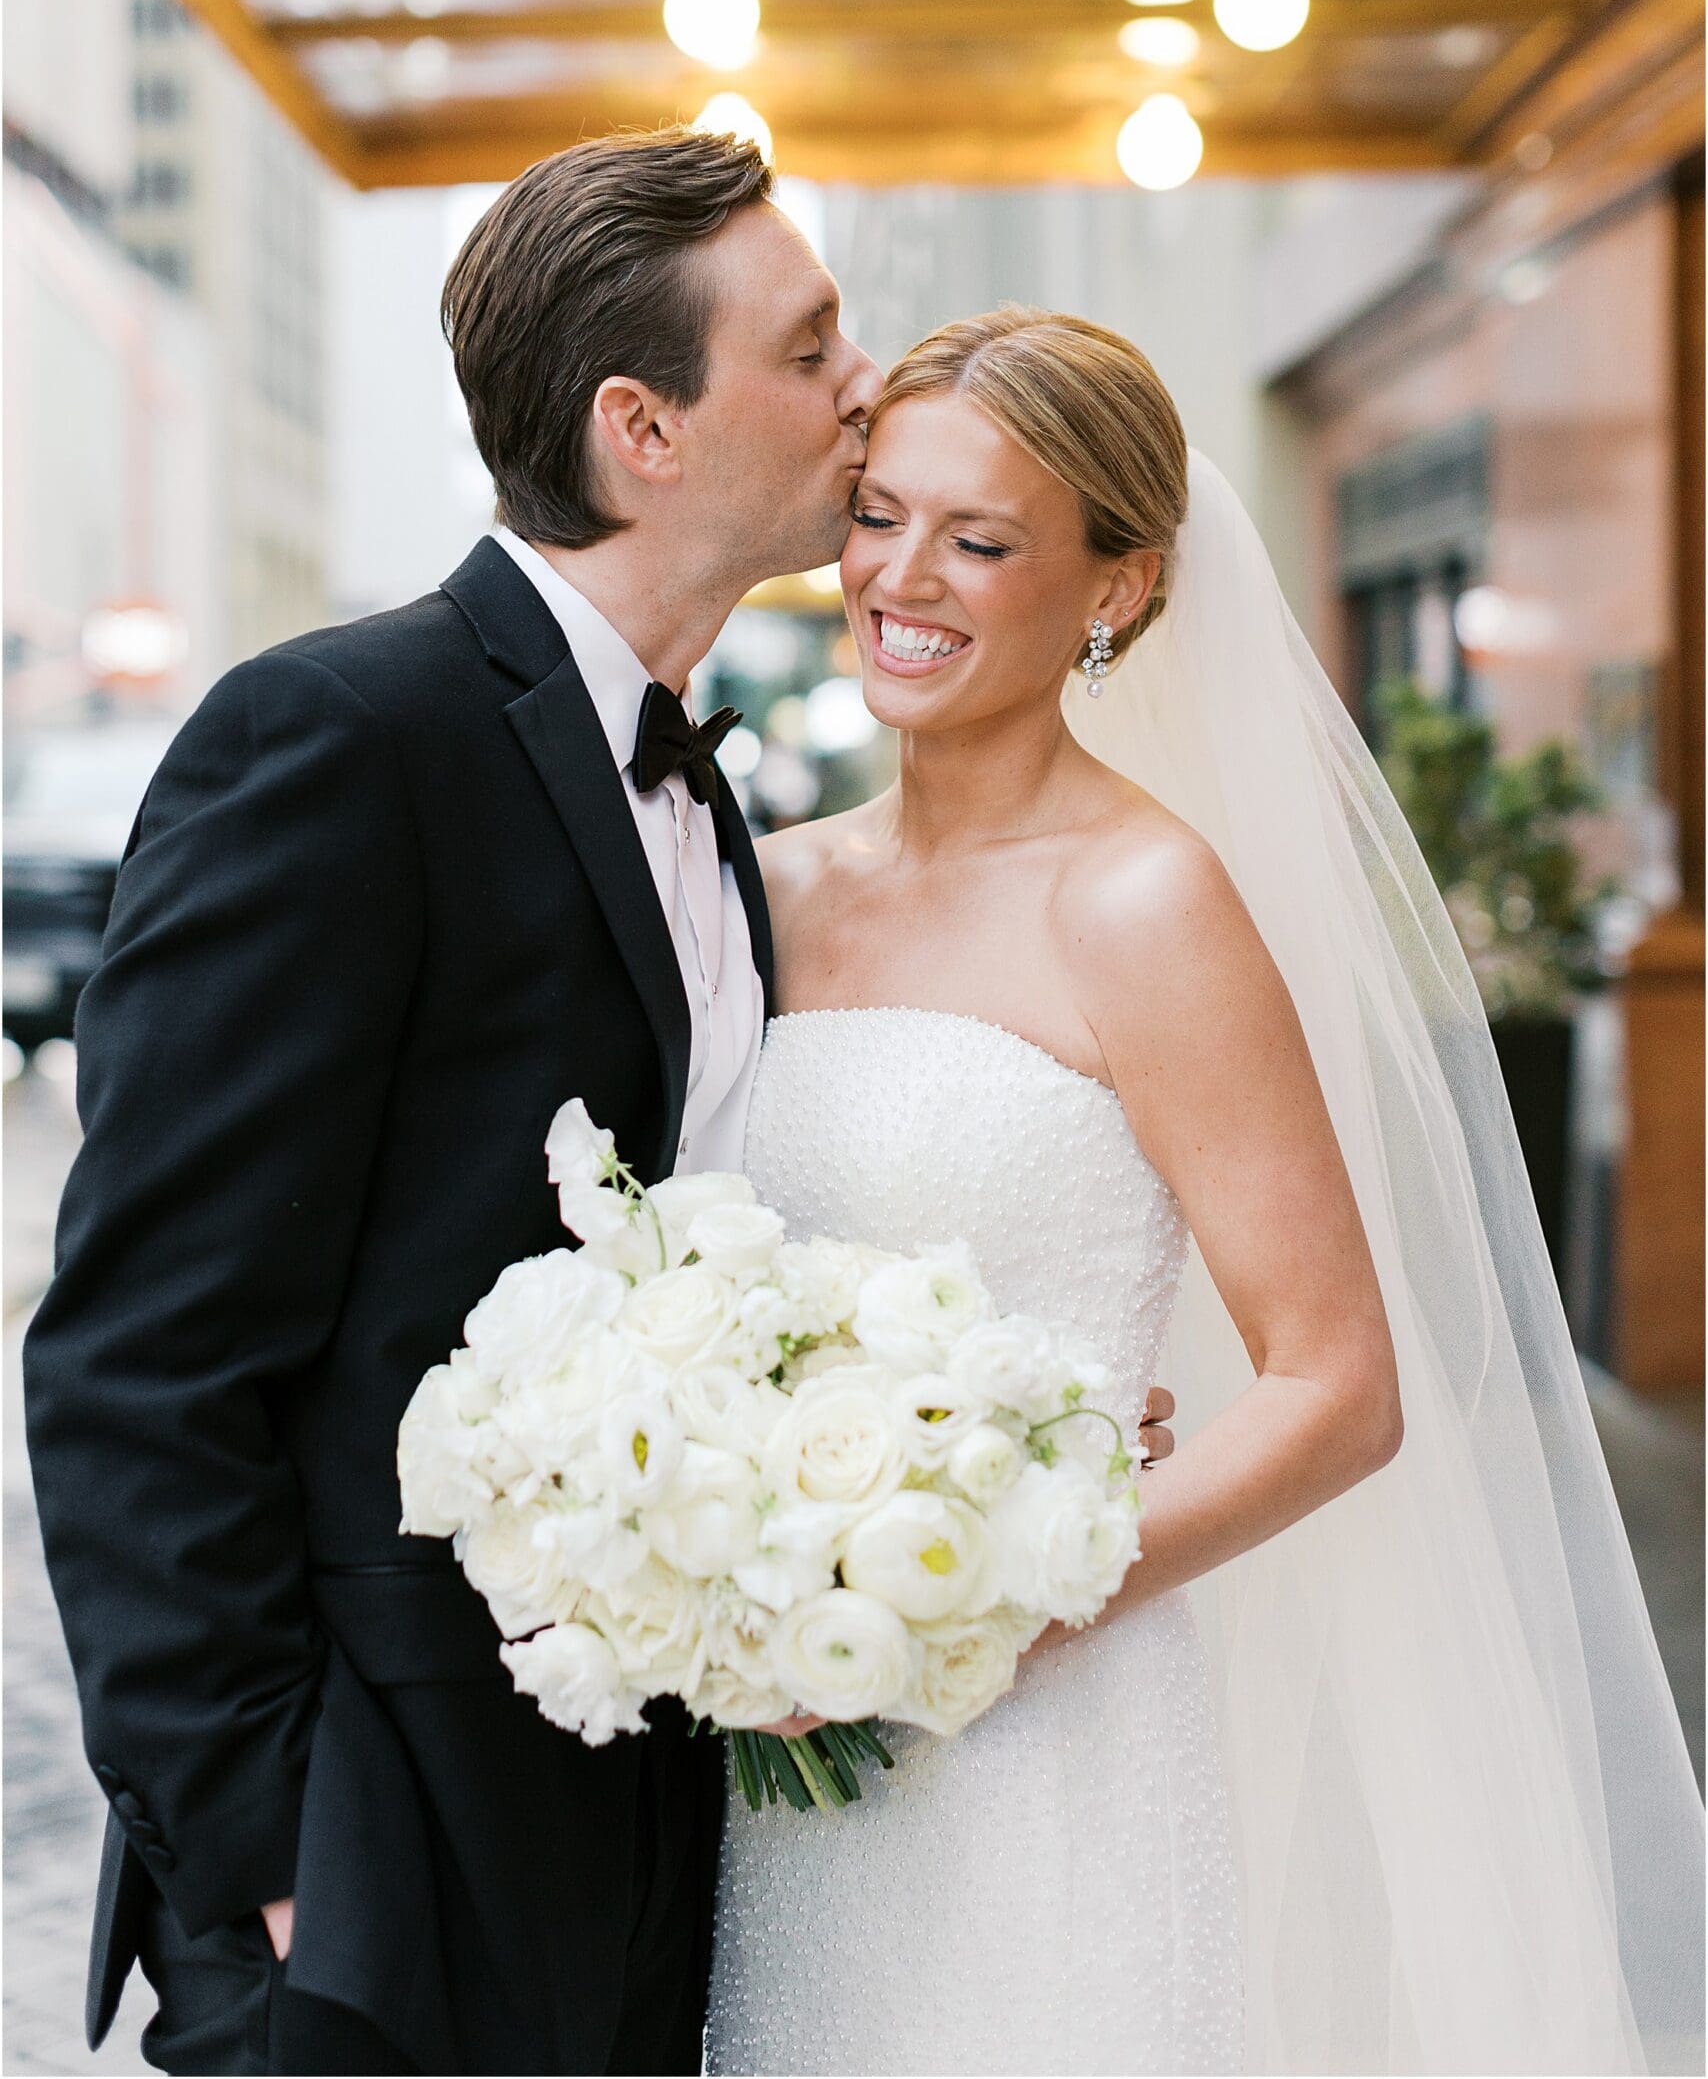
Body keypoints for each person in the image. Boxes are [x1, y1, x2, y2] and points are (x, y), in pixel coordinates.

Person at [707, 306, 1706, 2078]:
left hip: (1044, 1741)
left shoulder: (1147, 902)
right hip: (770, 1761)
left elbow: (1340, 1382)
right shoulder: (755, 889)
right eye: (880, 513)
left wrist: (986, 1605)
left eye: (983, 538)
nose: (900, 575)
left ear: (1118, 584)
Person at [23, 129, 902, 2076]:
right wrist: (268, 1856)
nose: (865, 383)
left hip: (643, 1824)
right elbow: (138, 1359)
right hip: (376, 1868)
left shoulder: (707, 792)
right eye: (810, 343)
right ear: (640, 429)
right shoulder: (335, 738)